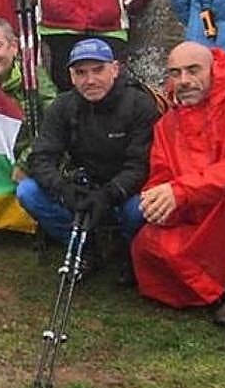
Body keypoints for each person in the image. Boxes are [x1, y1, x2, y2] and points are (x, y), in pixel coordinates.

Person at [133, 42, 225, 327]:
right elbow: (162, 176)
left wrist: (184, 190)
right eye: (175, 73)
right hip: (204, 214)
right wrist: (160, 201)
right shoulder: (168, 125)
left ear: (214, 70)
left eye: (193, 70)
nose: (184, 80)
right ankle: (222, 284)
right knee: (147, 243)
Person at [18, 38, 159, 280]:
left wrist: (109, 194)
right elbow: (41, 156)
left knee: (140, 208)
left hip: (126, 191)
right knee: (27, 192)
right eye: (81, 73)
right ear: (72, 77)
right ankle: (85, 248)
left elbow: (141, 164)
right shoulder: (62, 106)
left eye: (98, 70)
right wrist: (63, 189)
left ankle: (128, 249)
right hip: (82, 188)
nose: (90, 80)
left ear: (115, 69)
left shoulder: (140, 105)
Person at [0, 17, 56, 182]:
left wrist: (25, 164)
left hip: (26, 166)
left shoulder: (33, 77)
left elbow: (55, 126)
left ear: (13, 47)